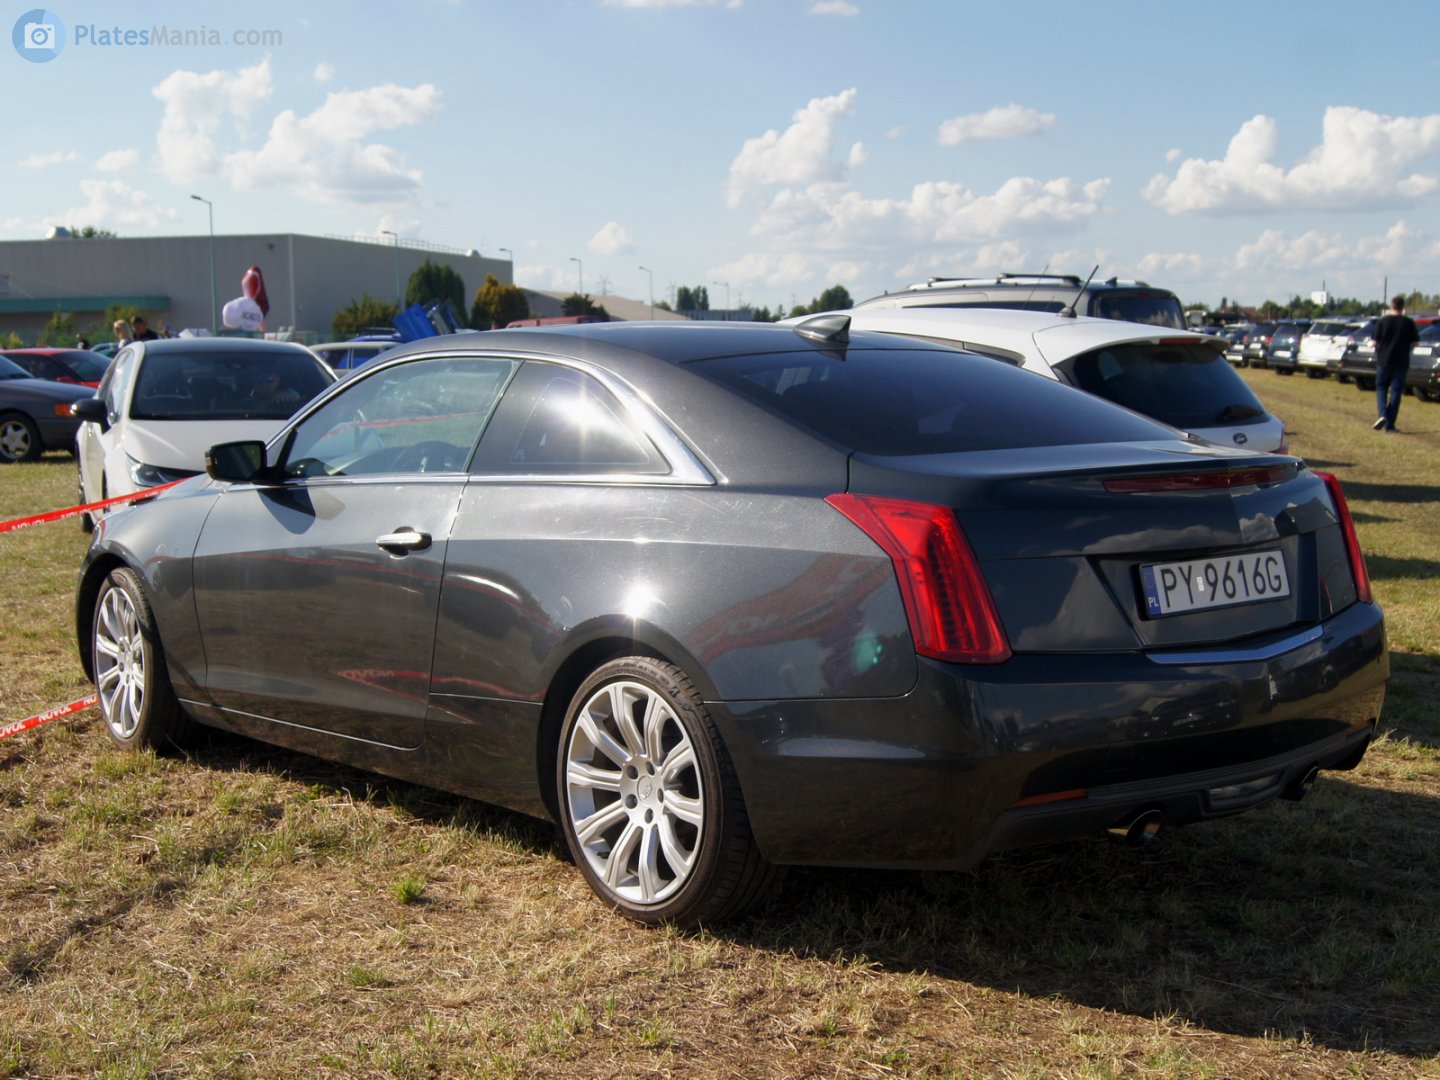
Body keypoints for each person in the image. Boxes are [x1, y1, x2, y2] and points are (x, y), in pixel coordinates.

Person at [1372, 296, 1419, 433]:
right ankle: (1390, 424)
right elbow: (1415, 342)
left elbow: (1375, 342)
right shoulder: (1409, 323)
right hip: (1401, 362)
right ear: (1403, 307)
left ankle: (1383, 415)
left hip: (1384, 361)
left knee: (1381, 388)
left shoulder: (1382, 322)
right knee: (1396, 392)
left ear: (1391, 306)